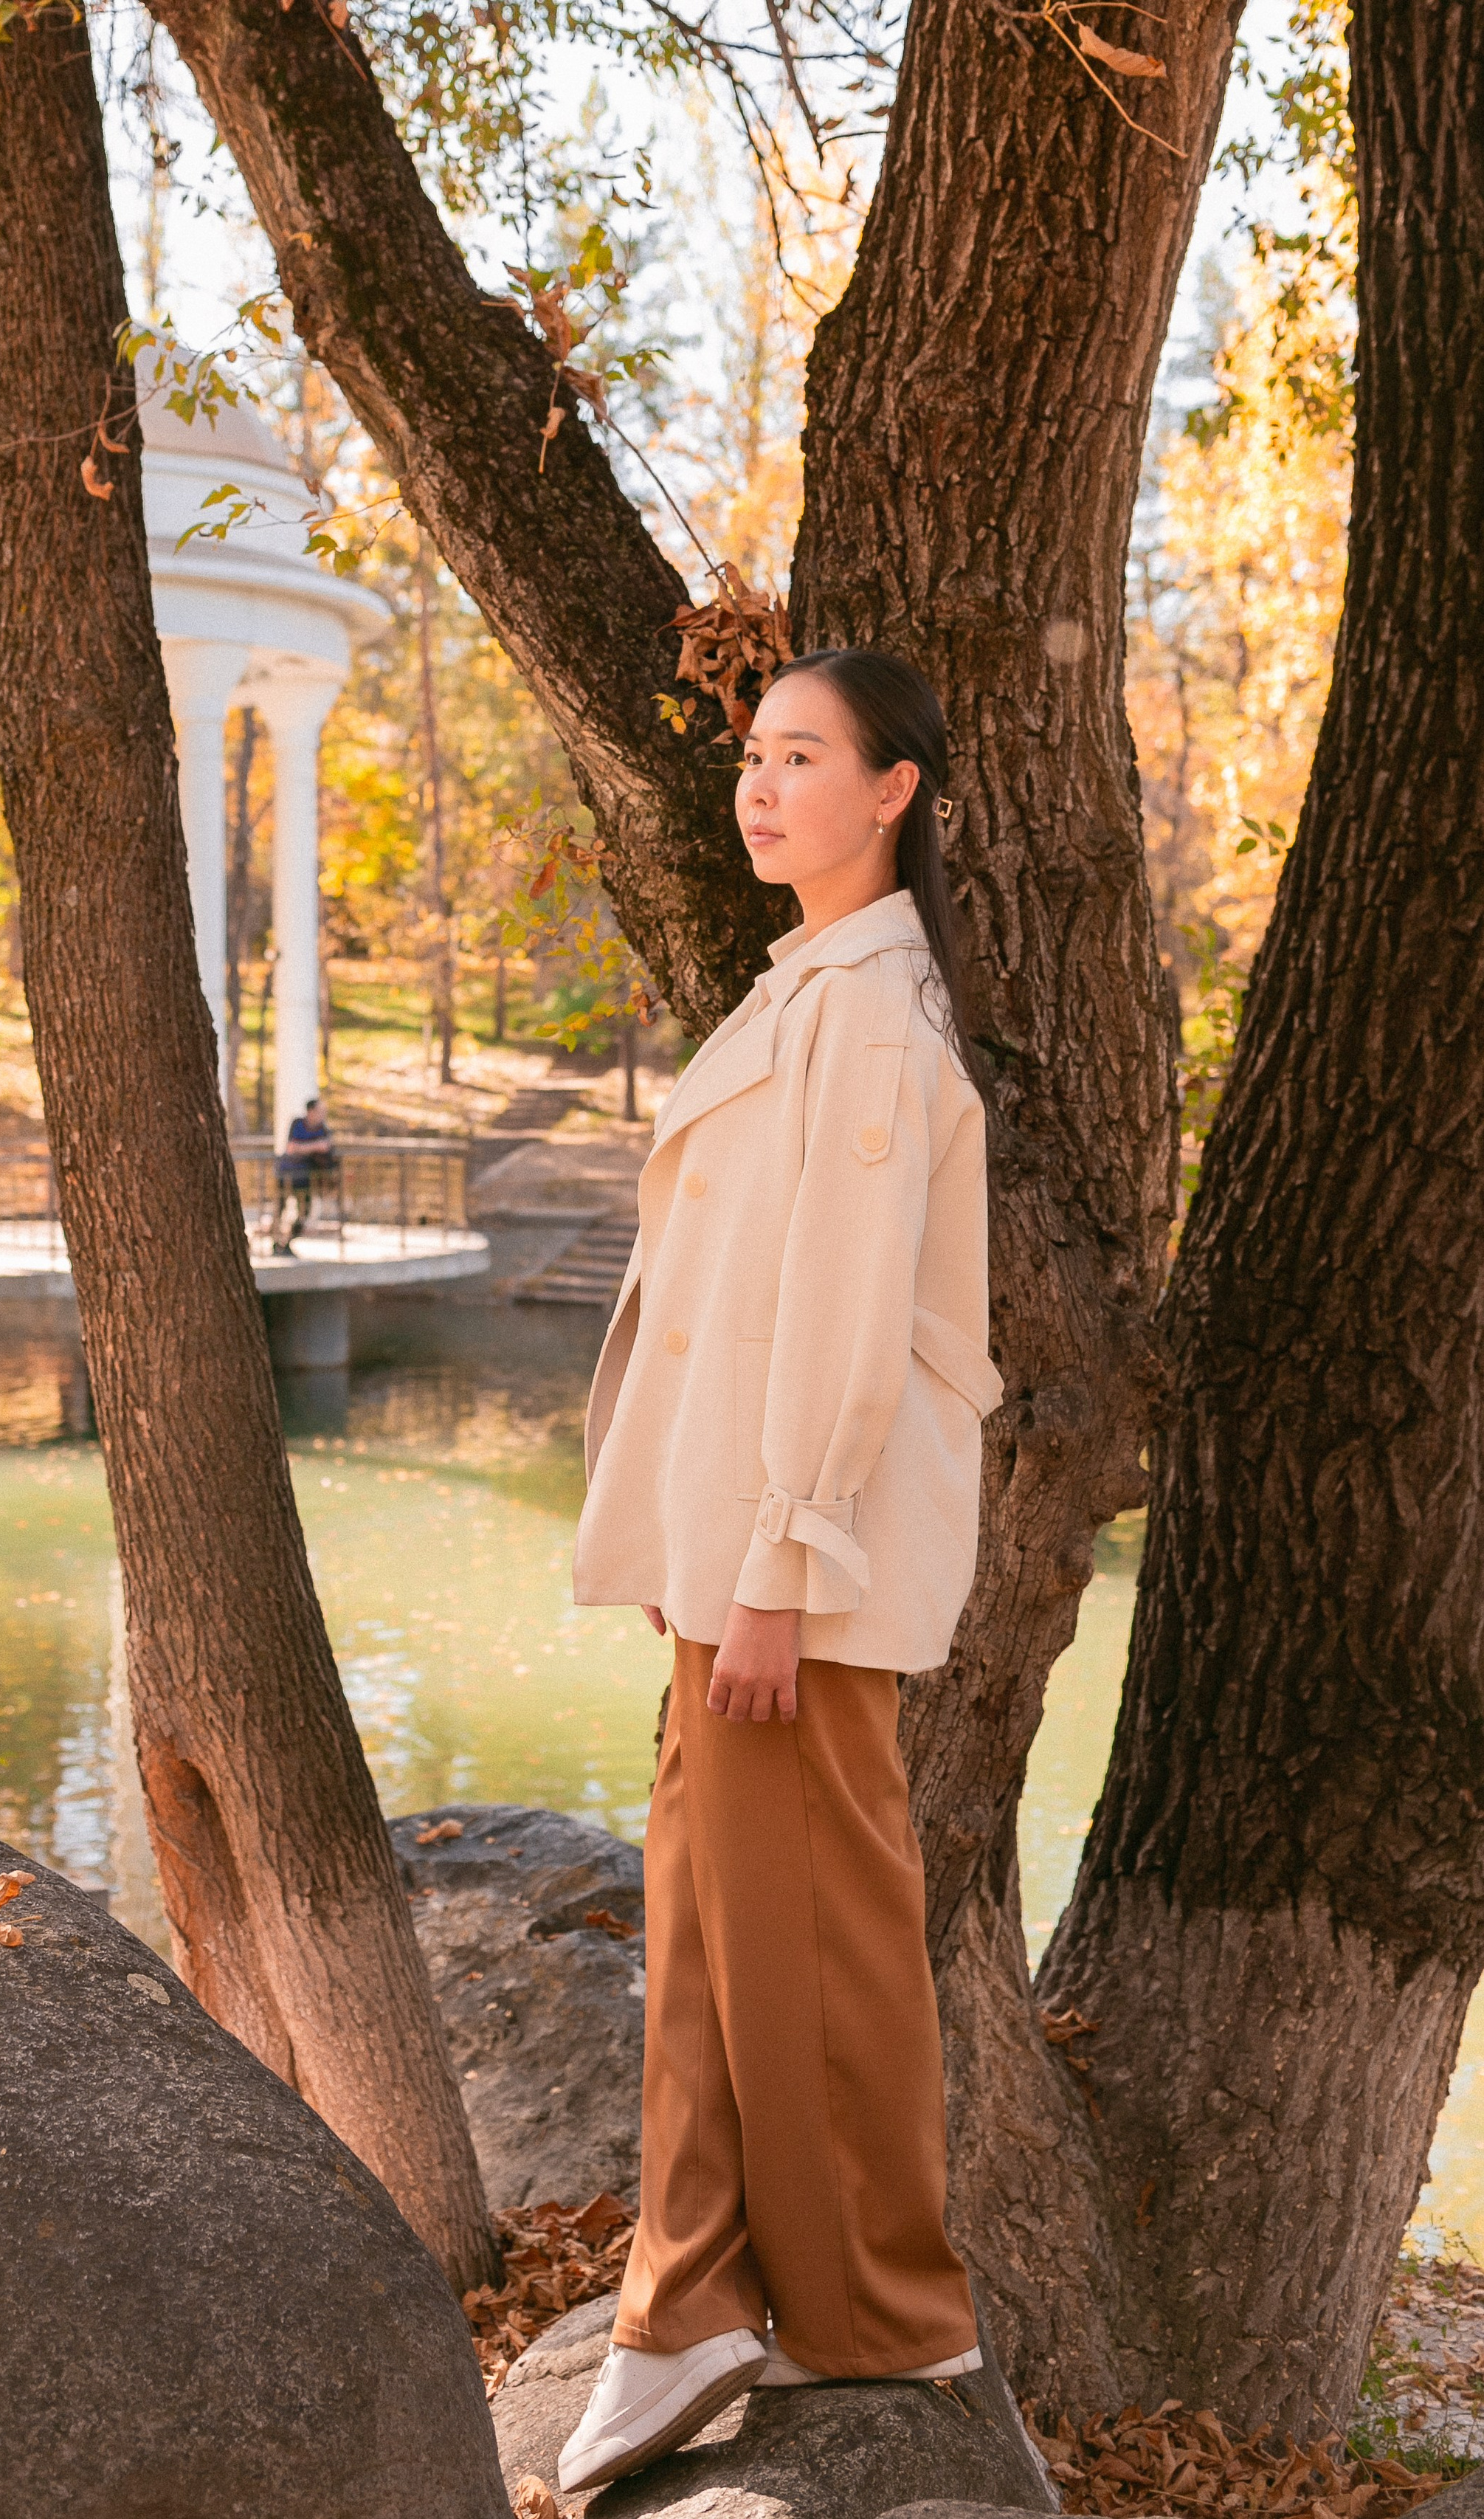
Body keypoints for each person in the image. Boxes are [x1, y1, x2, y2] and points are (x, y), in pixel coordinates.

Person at [560, 647, 1001, 2494]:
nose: (759, 786)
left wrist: (776, 1567)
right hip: (731, 1555)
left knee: (808, 1937)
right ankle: (695, 2292)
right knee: (713, 1923)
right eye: (753, 754)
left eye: (801, 756)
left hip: (784, 1573)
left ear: (890, 790)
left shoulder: (871, 1019)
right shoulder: (800, 987)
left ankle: (872, 2311)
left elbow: (835, 1323)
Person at [273, 1096, 337, 1255]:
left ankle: (288, 1241)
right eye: (320, 1111)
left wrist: (306, 1148)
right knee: (281, 1208)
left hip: (305, 1176)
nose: (323, 1114)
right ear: (311, 1111)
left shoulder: (323, 1129)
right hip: (286, 1173)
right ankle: (276, 1242)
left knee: (305, 1212)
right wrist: (315, 1146)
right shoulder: (297, 1124)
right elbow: (292, 1148)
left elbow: (327, 1149)